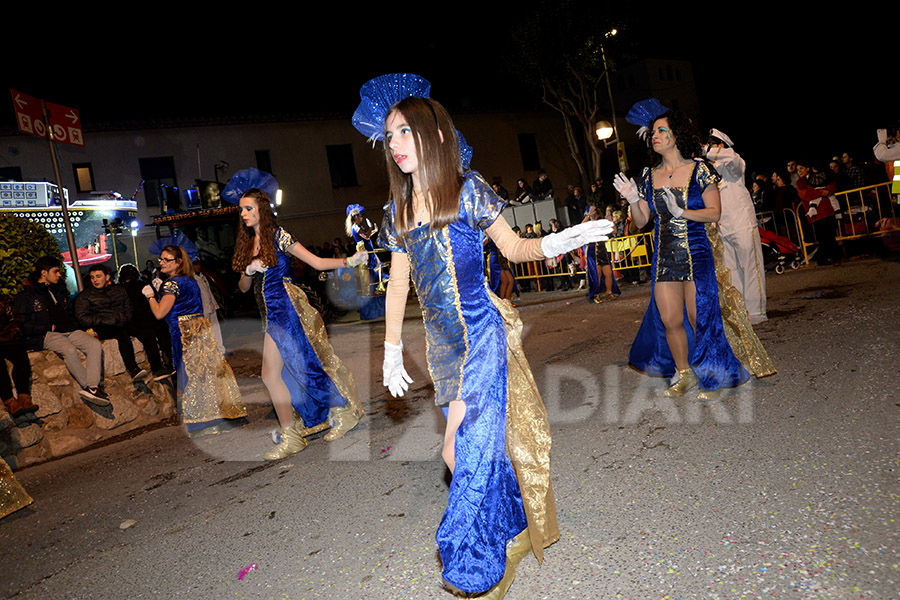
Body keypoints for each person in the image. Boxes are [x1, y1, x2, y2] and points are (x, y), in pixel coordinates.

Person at [352, 73, 613, 598]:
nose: (397, 145)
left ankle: (478, 564)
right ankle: (516, 522)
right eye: (391, 137)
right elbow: (399, 280)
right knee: (460, 455)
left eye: (405, 132)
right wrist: (389, 349)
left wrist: (561, 240)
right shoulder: (396, 211)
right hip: (441, 347)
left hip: (482, 335)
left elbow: (515, 250)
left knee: (464, 452)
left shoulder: (468, 189)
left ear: (433, 133)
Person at [614, 100, 751, 400]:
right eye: (653, 132)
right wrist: (633, 198)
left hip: (697, 253)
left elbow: (714, 212)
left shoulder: (700, 169)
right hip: (665, 257)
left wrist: (683, 211)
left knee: (698, 317)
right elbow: (641, 222)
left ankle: (711, 376)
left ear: (676, 135)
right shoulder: (649, 176)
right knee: (670, 320)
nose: (655, 136)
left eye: (662, 130)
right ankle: (685, 374)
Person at [227, 169, 366, 460]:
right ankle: (294, 433)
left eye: (248, 208)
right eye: (241, 209)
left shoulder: (278, 236)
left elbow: (314, 262)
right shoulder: (246, 243)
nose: (243, 214)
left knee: (301, 365)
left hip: (288, 310)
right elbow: (242, 287)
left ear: (261, 210)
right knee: (275, 374)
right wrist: (248, 271)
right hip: (270, 316)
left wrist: (349, 260)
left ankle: (339, 412)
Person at [144, 245, 247, 437]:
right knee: (208, 374)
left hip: (185, 333)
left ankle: (204, 423)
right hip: (200, 328)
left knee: (191, 377)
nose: (162, 263)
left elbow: (159, 313)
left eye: (167, 260)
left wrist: (150, 296)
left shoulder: (172, 284)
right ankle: (220, 417)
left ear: (178, 263)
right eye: (161, 259)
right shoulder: (191, 280)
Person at [14, 257, 108, 406]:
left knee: (94, 345)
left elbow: (68, 313)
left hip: (70, 330)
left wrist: (78, 326)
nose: (59, 275)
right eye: (56, 271)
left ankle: (93, 387)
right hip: (48, 334)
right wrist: (47, 328)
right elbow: (23, 323)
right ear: (44, 273)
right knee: (69, 350)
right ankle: (90, 388)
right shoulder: (27, 295)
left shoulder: (59, 289)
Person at [705, 129, 767, 324]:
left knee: (751, 267)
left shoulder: (735, 161)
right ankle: (741, 312)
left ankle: (756, 311)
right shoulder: (709, 169)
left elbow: (730, 158)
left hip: (741, 222)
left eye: (713, 144)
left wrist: (702, 149)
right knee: (732, 271)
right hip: (723, 225)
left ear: (721, 145)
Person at [74, 264, 150, 381]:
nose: (95, 280)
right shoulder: (85, 296)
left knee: (146, 330)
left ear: (107, 277)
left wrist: (123, 318)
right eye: (92, 277)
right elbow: (83, 318)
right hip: (101, 327)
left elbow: (129, 308)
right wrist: (105, 321)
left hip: (121, 322)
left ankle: (159, 367)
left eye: (98, 276)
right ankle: (133, 368)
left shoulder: (119, 290)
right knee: (122, 333)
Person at [117, 264, 173, 380]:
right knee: (158, 334)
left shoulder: (121, 289)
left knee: (153, 335)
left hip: (138, 321)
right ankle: (166, 364)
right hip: (144, 320)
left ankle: (160, 366)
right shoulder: (141, 285)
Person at [796, 158, 840, 265]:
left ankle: (833, 257)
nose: (799, 171)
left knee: (830, 234)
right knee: (823, 236)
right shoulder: (801, 182)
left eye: (801, 168)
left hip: (828, 209)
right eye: (798, 169)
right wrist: (822, 192)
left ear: (808, 168)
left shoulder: (818, 177)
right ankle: (824, 258)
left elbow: (832, 185)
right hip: (816, 212)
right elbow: (806, 194)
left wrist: (827, 190)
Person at [0, 294, 37, 418]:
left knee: (21, 356)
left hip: (6, 338)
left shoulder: (3, 300)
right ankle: (9, 400)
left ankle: (24, 397)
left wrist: (10, 335)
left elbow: (15, 321)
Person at [583, 206, 619, 303]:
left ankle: (608, 292)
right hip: (592, 250)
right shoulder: (587, 225)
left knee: (608, 273)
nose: (595, 215)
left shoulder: (601, 223)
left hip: (602, 250)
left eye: (596, 213)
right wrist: (588, 215)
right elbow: (581, 227)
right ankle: (596, 295)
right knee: (596, 274)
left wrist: (610, 221)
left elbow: (614, 231)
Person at [346, 204, 383, 294]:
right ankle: (372, 288)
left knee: (377, 267)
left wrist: (374, 230)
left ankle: (377, 286)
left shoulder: (359, 227)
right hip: (364, 249)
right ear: (356, 217)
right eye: (360, 216)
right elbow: (366, 237)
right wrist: (370, 228)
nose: (362, 218)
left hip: (368, 247)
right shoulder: (356, 227)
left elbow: (368, 235)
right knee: (371, 268)